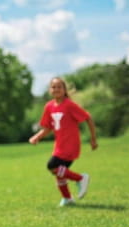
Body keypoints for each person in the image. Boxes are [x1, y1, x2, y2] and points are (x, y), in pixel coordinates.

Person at [29, 77, 97, 207]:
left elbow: (88, 118)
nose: (56, 89)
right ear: (50, 90)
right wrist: (37, 137)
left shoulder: (69, 105)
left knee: (52, 166)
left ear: (65, 90)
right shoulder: (49, 106)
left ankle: (81, 178)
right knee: (59, 173)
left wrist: (93, 139)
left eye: (59, 87)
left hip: (70, 145)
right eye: (53, 87)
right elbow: (48, 127)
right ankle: (67, 198)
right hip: (59, 146)